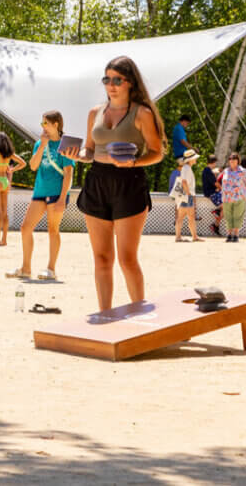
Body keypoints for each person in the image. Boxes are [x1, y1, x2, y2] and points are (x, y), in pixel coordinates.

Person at [61, 56, 165, 310]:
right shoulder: (95, 112)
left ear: (130, 82)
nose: (111, 85)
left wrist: (134, 162)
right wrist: (78, 155)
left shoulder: (142, 113)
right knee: (101, 258)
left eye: (117, 80)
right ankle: (104, 314)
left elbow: (157, 153)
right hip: (97, 181)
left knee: (127, 259)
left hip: (129, 182)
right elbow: (89, 150)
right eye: (106, 79)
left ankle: (139, 313)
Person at [7, 111, 74, 281]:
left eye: (45, 123)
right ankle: (26, 268)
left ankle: (51, 269)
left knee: (53, 230)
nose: (42, 126)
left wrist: (62, 198)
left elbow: (68, 174)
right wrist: (42, 146)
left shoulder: (66, 144)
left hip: (57, 193)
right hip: (40, 191)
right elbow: (33, 166)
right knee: (25, 228)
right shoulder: (39, 143)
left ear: (56, 124)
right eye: (42, 123)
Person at [0, 132, 26, 247]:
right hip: (5, 181)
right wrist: (12, 170)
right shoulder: (9, 154)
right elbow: (23, 163)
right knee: (4, 212)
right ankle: (4, 240)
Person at [220, 153, 246, 242]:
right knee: (228, 216)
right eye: (230, 159)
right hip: (227, 198)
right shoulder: (226, 171)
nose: (232, 160)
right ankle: (229, 234)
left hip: (239, 197)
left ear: (238, 160)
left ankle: (236, 235)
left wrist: (241, 191)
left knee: (238, 216)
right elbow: (221, 182)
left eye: (234, 158)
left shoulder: (243, 171)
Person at [174, 149, 202, 242]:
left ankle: (194, 236)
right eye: (194, 158)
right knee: (183, 216)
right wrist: (188, 193)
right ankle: (179, 237)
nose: (196, 159)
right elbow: (184, 181)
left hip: (185, 195)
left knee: (190, 216)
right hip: (186, 195)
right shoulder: (186, 168)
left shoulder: (186, 168)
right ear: (190, 160)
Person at [201, 155, 222, 236]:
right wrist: (222, 189)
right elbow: (216, 183)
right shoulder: (208, 171)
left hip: (212, 192)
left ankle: (215, 225)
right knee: (227, 203)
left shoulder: (207, 170)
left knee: (226, 206)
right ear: (214, 162)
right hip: (211, 193)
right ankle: (217, 212)